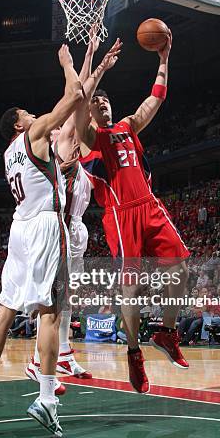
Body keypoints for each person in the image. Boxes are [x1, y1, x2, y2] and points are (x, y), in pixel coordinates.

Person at [0, 44, 84, 438]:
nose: (34, 116)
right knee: (50, 312)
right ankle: (47, 398)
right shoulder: (34, 132)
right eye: (27, 114)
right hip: (45, 227)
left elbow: (40, 173)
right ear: (20, 124)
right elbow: (75, 97)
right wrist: (68, 65)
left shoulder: (8, 154)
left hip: (19, 228)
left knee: (5, 309)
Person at [75, 30, 190, 394]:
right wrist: (98, 73)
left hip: (149, 205)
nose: (103, 103)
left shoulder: (126, 127)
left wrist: (164, 59)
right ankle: (134, 354)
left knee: (182, 266)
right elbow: (79, 110)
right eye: (97, 102)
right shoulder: (89, 140)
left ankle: (167, 333)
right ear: (91, 110)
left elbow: (155, 99)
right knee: (131, 288)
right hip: (121, 215)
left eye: (106, 100)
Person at [26, 37, 121, 389]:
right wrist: (93, 58)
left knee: (67, 299)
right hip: (56, 228)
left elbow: (79, 102)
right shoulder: (55, 144)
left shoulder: (68, 144)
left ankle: (63, 351)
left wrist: (96, 61)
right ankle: (39, 360)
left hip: (74, 228)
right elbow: (78, 95)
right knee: (52, 299)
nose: (55, 119)